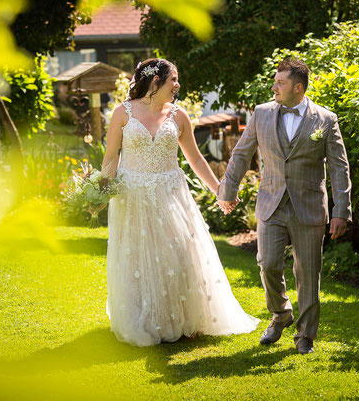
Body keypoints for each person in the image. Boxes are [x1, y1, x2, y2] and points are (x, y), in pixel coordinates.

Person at [101, 58, 259, 347]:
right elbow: (111, 157)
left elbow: (195, 159)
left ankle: (183, 318)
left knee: (178, 254)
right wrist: (100, 192)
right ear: (156, 81)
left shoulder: (179, 115)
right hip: (131, 197)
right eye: (174, 79)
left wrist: (220, 190)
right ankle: (143, 319)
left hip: (170, 192)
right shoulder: (122, 114)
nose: (178, 85)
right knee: (136, 257)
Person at [218, 58, 352, 355]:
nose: (274, 87)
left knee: (308, 273)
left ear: (298, 87)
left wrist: (342, 210)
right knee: (267, 264)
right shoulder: (261, 113)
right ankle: (281, 313)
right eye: (275, 82)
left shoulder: (326, 119)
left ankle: (305, 336)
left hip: (309, 206)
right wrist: (227, 189)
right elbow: (241, 154)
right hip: (272, 202)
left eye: (280, 83)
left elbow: (340, 168)